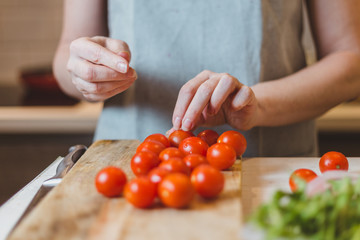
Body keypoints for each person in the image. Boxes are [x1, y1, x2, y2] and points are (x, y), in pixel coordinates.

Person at [53, 0, 360, 157]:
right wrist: (86, 70)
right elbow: (67, 54)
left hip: (270, 162)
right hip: (130, 159)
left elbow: (351, 60)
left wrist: (258, 103)